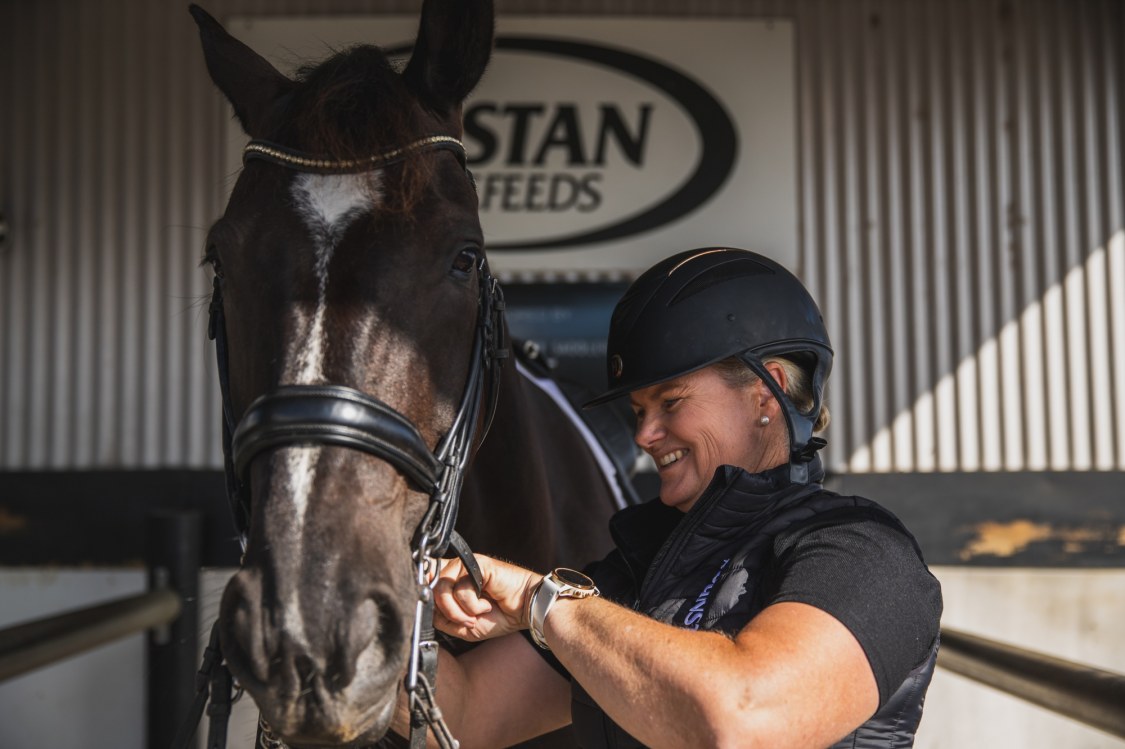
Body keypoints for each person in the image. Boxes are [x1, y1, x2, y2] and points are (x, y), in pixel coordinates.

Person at [395, 247, 942, 749]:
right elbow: (468, 712)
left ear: (765, 392)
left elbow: (744, 721)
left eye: (671, 402)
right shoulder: (632, 575)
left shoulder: (864, 552)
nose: (643, 435)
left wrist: (541, 603)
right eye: (638, 411)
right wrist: (363, 609)